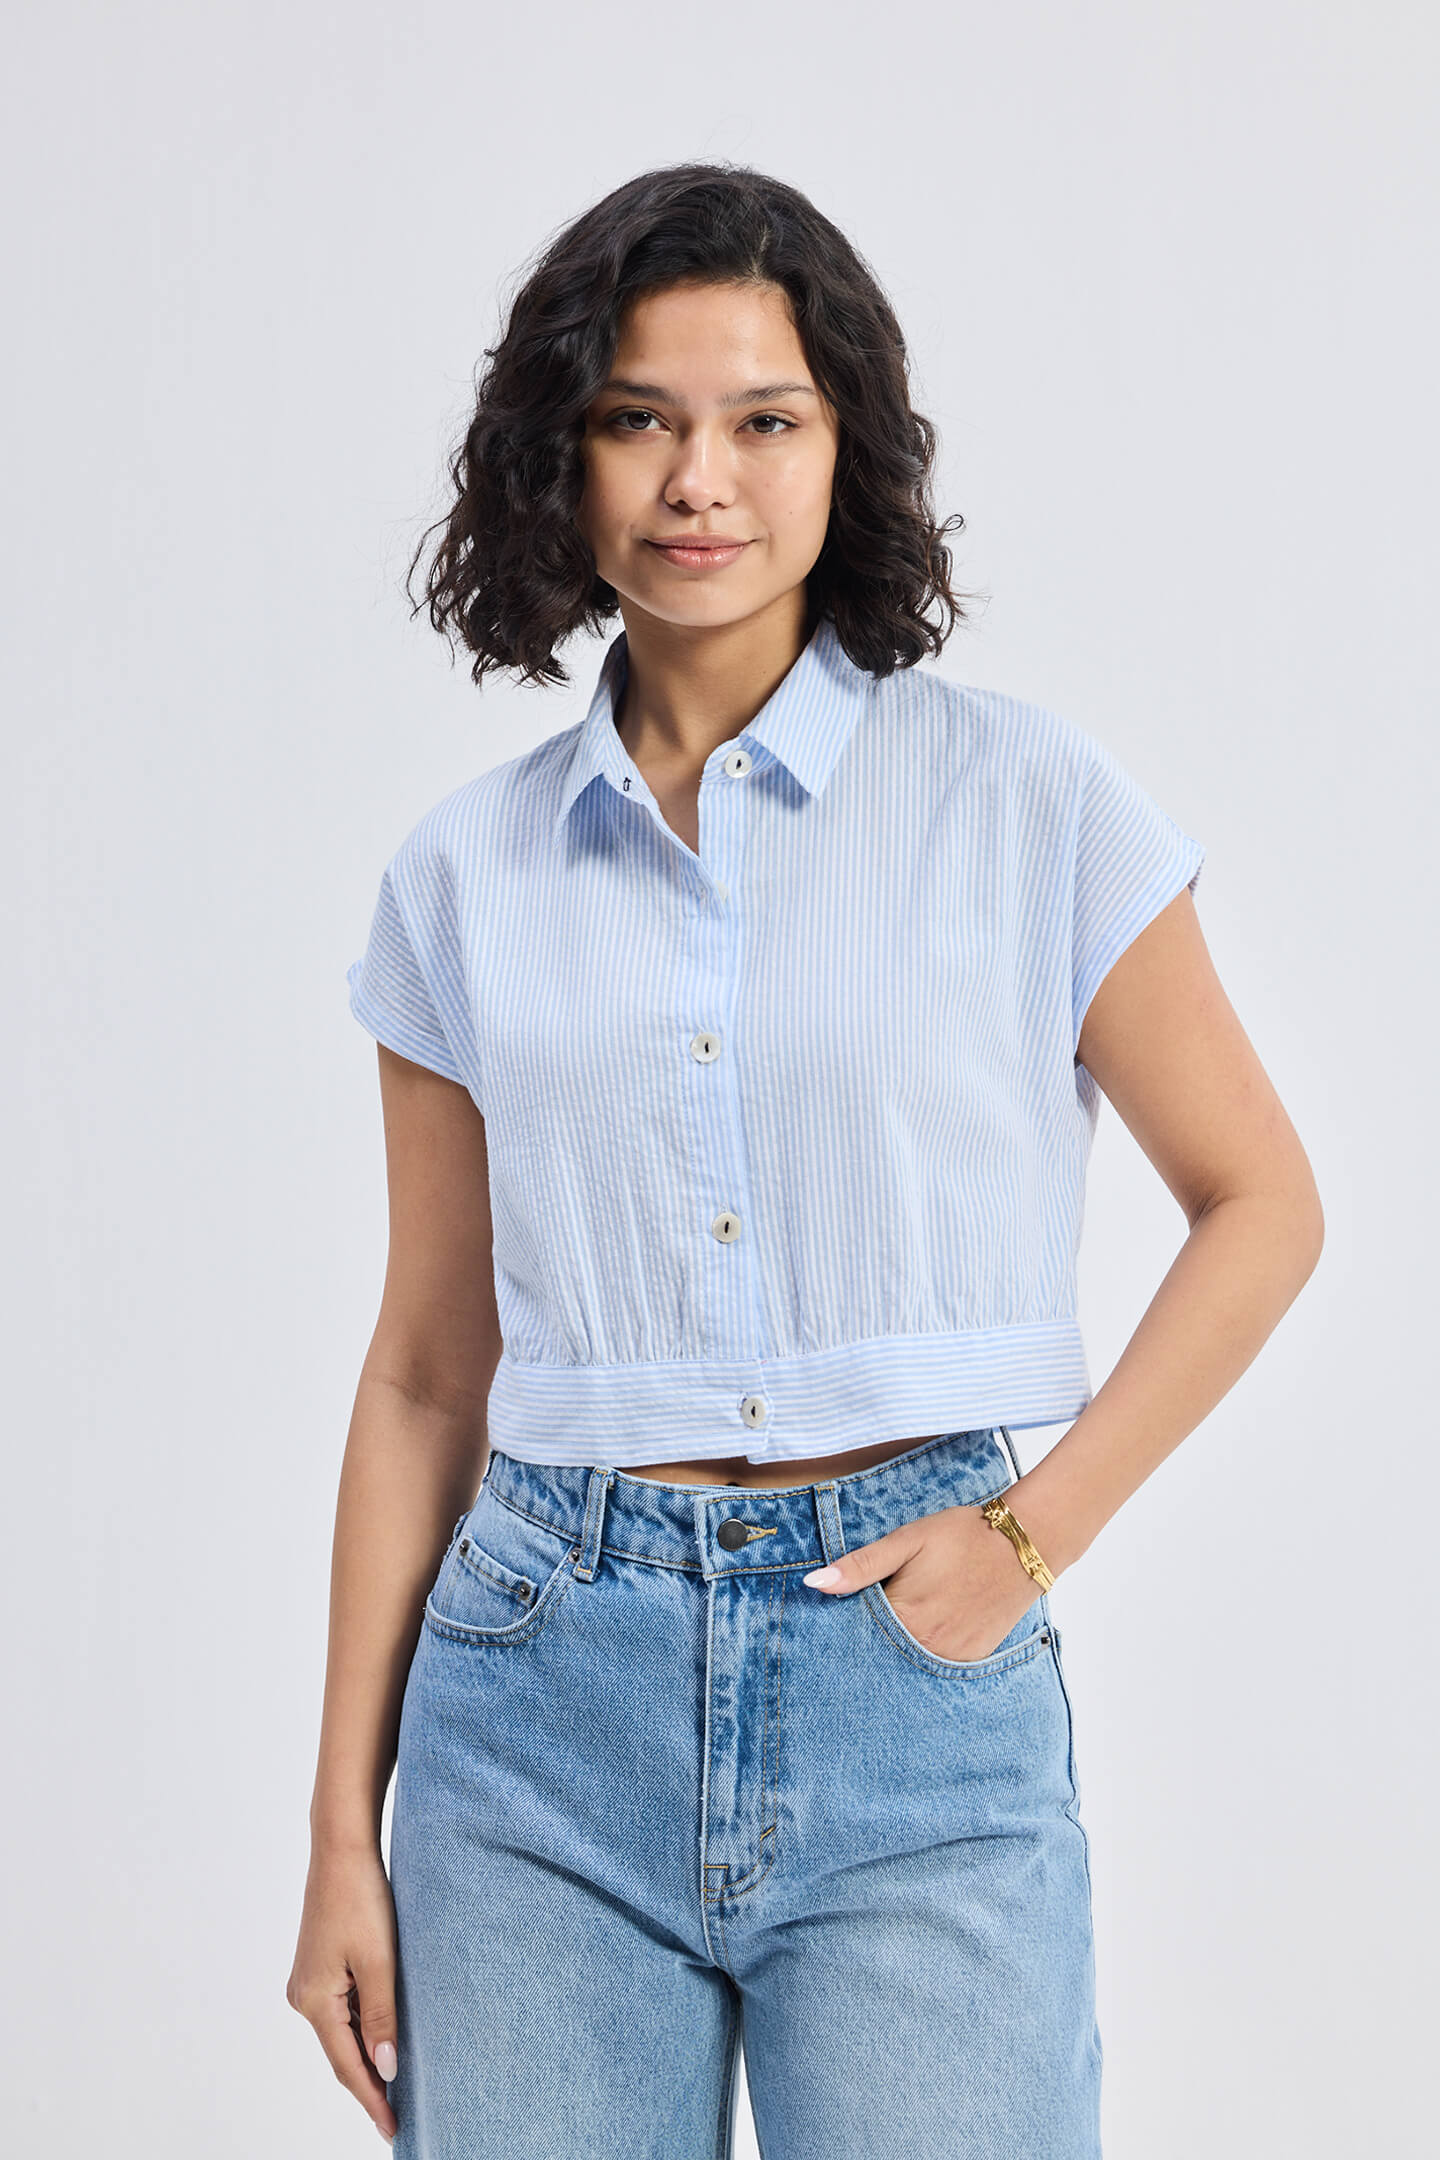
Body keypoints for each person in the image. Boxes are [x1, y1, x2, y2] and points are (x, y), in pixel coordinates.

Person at [286, 162, 1324, 2158]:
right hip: (535, 1702)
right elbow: (426, 1367)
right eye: (638, 419)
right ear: (560, 457)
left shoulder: (1024, 800)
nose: (702, 479)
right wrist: (342, 1831)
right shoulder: (463, 877)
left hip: (912, 1676)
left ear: (845, 448)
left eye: (764, 420)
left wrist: (1032, 1541)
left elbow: (1263, 1204)